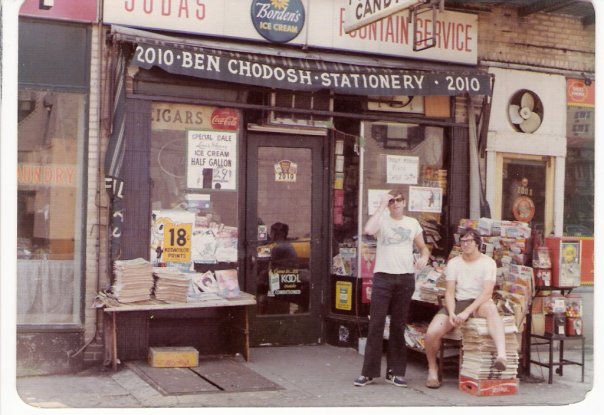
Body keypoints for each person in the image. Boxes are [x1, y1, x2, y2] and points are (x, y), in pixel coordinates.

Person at [354, 189, 430, 388]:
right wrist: (381, 206)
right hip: (383, 277)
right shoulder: (383, 220)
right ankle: (368, 373)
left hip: (405, 278)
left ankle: (395, 372)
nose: (395, 204)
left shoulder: (412, 223)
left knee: (398, 325)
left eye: (399, 200)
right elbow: (369, 230)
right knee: (376, 324)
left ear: (404, 202)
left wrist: (424, 257)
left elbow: (423, 246)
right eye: (392, 201)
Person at [423, 227, 507, 389]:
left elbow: (487, 293)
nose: (465, 244)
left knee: (491, 309)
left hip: (478, 302)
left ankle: (501, 355)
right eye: (463, 241)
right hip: (459, 301)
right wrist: (453, 313)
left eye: (469, 241)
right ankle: (432, 370)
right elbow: (450, 291)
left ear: (477, 243)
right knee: (431, 333)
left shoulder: (488, 263)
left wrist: (467, 312)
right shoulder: (454, 263)